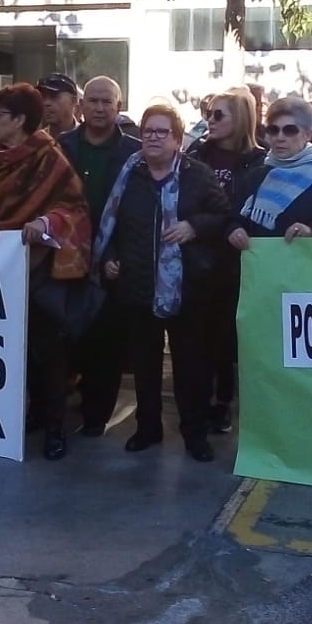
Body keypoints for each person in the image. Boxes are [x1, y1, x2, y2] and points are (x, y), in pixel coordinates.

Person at [95, 103, 230, 462]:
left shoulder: (197, 174)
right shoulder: (128, 173)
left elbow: (223, 216)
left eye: (162, 132)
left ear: (178, 138)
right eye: (148, 131)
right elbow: (110, 221)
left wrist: (194, 226)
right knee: (144, 363)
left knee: (190, 366)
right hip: (137, 283)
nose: (153, 138)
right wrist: (109, 257)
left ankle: (195, 433)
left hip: (187, 287)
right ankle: (147, 428)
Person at [0, 82, 91, 461]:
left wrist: (44, 221)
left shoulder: (51, 158)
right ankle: (30, 415)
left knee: (49, 352)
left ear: (20, 120)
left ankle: (56, 428)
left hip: (41, 272)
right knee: (11, 352)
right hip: (0, 273)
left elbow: (74, 208)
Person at [58, 76, 141, 437]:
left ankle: (95, 418)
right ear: (81, 106)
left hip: (112, 262)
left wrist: (117, 253)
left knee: (106, 345)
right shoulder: (60, 146)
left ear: (119, 107)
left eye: (107, 101)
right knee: (64, 339)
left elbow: (138, 210)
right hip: (66, 258)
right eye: (92, 100)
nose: (99, 107)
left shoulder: (134, 152)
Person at [188, 85, 265, 435]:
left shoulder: (260, 161)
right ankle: (202, 403)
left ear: (241, 118)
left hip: (243, 262)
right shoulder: (197, 155)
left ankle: (224, 402)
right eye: (209, 113)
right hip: (201, 257)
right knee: (200, 338)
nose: (210, 121)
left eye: (219, 114)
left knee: (230, 340)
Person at [228, 98, 312, 247]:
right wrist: (235, 230)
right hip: (263, 266)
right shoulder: (257, 174)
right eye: (273, 130)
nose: (280, 138)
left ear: (307, 135)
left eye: (289, 131)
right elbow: (234, 218)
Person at [39, 73, 80, 137]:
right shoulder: (36, 142)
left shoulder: (88, 139)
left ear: (73, 101)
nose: (46, 103)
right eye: (43, 97)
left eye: (54, 96)